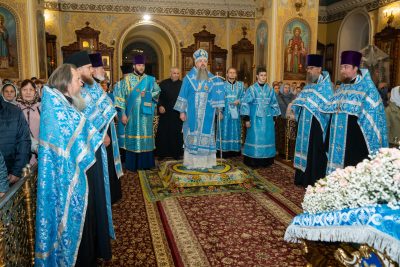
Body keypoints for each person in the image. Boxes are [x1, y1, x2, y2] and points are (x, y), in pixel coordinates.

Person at [35, 64, 115, 266]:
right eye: (76, 78)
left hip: (77, 176)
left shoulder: (66, 103)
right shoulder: (58, 109)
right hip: (68, 180)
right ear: (65, 82)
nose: (81, 81)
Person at [324, 51, 388, 174]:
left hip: (355, 143)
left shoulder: (367, 89)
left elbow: (374, 117)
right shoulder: (342, 88)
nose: (342, 70)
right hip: (337, 139)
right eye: (341, 67)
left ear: (356, 68)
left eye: (346, 67)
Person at [81, 51, 123, 204]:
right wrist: (102, 134)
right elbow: (89, 113)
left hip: (106, 130)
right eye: (100, 68)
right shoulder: (87, 86)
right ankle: (107, 196)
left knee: (109, 163)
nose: (103, 71)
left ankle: (112, 194)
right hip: (98, 134)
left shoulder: (95, 85)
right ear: (92, 69)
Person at [174, 49, 225, 169]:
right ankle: (192, 163)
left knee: (207, 135)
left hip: (208, 114)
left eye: (205, 61)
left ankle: (207, 163)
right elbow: (183, 94)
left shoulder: (213, 79)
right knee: (193, 135)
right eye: (200, 61)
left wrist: (219, 109)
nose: (202, 63)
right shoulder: (188, 78)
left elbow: (217, 95)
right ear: (195, 63)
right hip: (192, 114)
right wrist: (182, 111)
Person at [291, 54, 334, 187]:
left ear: (319, 69)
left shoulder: (326, 87)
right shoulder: (309, 86)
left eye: (311, 68)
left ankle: (312, 179)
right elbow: (301, 101)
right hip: (304, 123)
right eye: (308, 68)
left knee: (314, 152)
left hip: (317, 125)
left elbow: (327, 107)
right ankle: (302, 177)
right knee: (304, 149)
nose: (308, 71)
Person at [114, 54, 160, 171]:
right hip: (132, 115)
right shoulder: (127, 79)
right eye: (139, 65)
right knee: (132, 138)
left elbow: (157, 92)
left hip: (146, 115)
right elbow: (120, 98)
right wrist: (123, 114)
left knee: (146, 138)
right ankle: (132, 165)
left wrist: (148, 94)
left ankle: (146, 164)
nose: (141, 67)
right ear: (134, 66)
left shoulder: (150, 79)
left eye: (143, 65)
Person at [240, 67, 281, 167]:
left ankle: (266, 161)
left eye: (265, 75)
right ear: (257, 76)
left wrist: (274, 117)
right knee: (255, 138)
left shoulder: (270, 90)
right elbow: (245, 104)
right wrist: (246, 119)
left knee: (267, 138)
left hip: (267, 119)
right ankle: (253, 161)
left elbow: (274, 104)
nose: (263, 77)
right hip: (254, 119)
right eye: (261, 75)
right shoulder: (252, 89)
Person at [155, 67, 183, 160]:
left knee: (176, 133)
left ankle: (176, 153)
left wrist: (183, 111)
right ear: (170, 73)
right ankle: (162, 153)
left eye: (177, 73)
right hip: (165, 113)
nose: (176, 75)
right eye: (174, 73)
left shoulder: (182, 85)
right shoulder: (163, 83)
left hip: (177, 113)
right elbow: (158, 97)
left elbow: (184, 99)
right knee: (163, 133)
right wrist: (160, 106)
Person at [216, 67, 245, 157]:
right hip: (225, 112)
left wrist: (239, 101)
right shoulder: (222, 85)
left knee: (236, 130)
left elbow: (245, 97)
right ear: (227, 74)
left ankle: (235, 151)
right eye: (230, 72)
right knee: (224, 129)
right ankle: (224, 151)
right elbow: (219, 98)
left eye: (234, 72)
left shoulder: (241, 85)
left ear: (236, 75)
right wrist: (219, 111)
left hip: (236, 111)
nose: (232, 74)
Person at [16, 79, 41, 165]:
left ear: (35, 92)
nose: (28, 92)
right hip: (20, 153)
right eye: (24, 89)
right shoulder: (15, 108)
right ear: (20, 91)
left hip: (39, 152)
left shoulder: (41, 108)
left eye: (31, 90)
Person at [112, 65, 133, 164]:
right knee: (124, 135)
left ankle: (125, 159)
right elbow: (118, 101)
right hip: (123, 113)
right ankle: (126, 158)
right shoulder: (119, 85)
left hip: (127, 114)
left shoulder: (118, 84)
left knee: (127, 134)